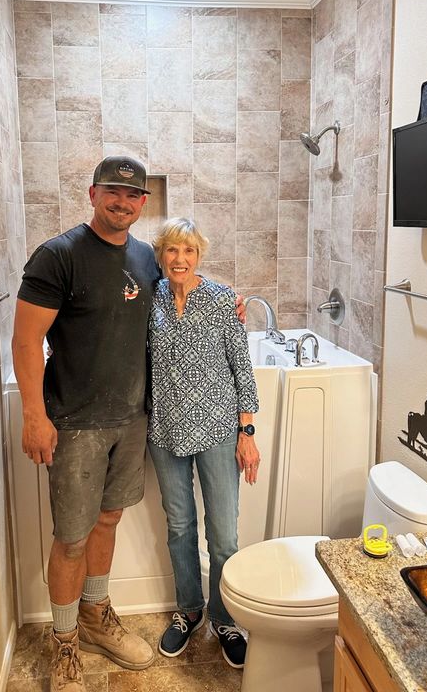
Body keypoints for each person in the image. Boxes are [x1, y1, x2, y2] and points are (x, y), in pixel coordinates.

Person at [12, 156, 160, 692]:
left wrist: (225, 304)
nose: (122, 202)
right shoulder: (58, 255)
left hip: (131, 417)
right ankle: (64, 641)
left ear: (144, 203)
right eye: (112, 192)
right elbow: (27, 340)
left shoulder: (146, 257)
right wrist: (35, 414)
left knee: (108, 520)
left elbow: (179, 303)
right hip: (74, 422)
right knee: (71, 538)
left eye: (133, 195)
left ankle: (97, 616)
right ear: (92, 194)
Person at [147, 217, 260, 669]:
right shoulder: (149, 298)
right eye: (173, 251)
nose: (180, 260)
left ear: (200, 256)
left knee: (224, 536)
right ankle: (190, 610)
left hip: (217, 429)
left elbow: (242, 366)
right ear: (161, 256)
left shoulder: (218, 300)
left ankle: (225, 617)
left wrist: (246, 432)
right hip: (166, 430)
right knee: (179, 527)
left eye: (189, 251)